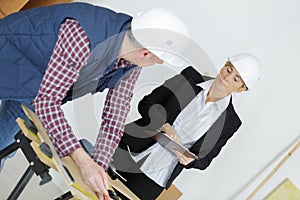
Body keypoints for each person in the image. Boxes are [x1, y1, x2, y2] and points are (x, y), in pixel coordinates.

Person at [0, 2, 189, 199]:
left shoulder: (130, 62)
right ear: (146, 53)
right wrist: (82, 159)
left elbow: (115, 116)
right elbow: (47, 101)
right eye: (159, 60)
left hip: (33, 86)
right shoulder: (82, 35)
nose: (157, 63)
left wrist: (98, 166)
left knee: (2, 145)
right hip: (6, 58)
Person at [111, 53, 261, 199]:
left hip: (155, 178)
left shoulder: (230, 122)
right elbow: (146, 103)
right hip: (128, 148)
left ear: (241, 89)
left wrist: (191, 161)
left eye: (236, 79)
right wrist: (164, 125)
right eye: (229, 70)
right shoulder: (188, 78)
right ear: (223, 66)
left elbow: (206, 160)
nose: (227, 78)